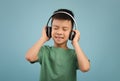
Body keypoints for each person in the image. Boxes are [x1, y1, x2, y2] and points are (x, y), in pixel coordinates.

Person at [25, 9, 90, 81]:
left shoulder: (74, 54)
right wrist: (43, 38)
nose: (59, 32)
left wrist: (75, 43)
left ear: (72, 33)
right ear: (49, 30)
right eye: (55, 28)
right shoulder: (45, 51)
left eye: (64, 29)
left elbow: (85, 68)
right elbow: (29, 57)